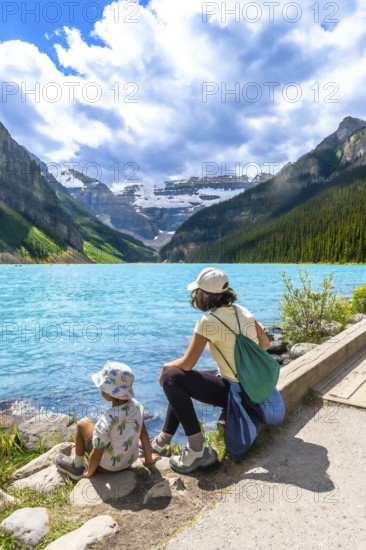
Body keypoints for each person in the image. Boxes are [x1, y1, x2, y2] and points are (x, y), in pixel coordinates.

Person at [150, 267, 283, 474]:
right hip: (250, 384)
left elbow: (187, 364)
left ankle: (197, 450)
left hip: (236, 391)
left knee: (172, 377)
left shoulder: (207, 321)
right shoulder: (244, 311)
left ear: (205, 295)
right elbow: (265, 344)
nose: (195, 295)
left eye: (198, 292)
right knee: (182, 379)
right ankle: (163, 439)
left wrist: (165, 366)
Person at [55, 361, 160, 480]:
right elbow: (144, 434)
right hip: (128, 462)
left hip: (106, 467)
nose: (100, 388)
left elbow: (97, 451)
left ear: (110, 393)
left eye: (103, 387)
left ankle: (76, 466)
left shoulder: (107, 419)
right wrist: (149, 459)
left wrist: (89, 473)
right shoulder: (138, 407)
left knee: (82, 423)